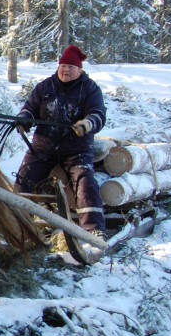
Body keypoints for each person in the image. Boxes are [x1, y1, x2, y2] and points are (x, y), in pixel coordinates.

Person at [14, 45, 107, 237]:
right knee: (24, 178)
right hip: (43, 147)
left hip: (77, 150)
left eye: (71, 67)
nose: (65, 70)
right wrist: (24, 119)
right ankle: (17, 221)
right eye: (63, 65)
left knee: (85, 181)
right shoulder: (44, 87)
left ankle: (93, 229)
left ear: (79, 70)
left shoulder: (90, 89)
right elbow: (30, 108)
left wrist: (86, 125)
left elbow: (97, 115)